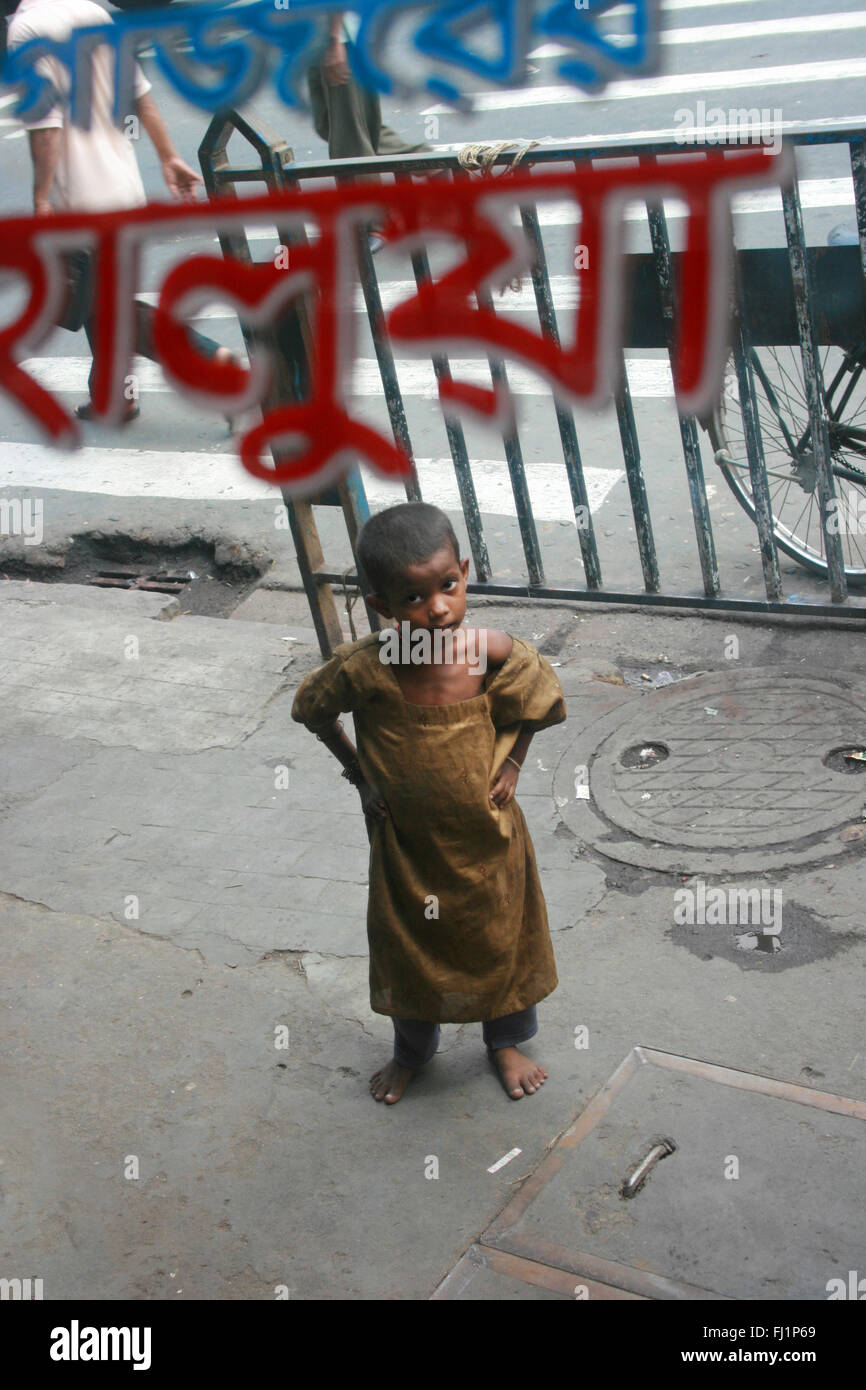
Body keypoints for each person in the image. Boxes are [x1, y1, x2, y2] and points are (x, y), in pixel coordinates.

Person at [291, 502, 567, 1105]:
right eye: (413, 598)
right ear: (382, 605)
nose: (438, 608)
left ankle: (507, 1042)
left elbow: (540, 690)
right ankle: (411, 1052)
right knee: (408, 950)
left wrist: (513, 760)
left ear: (464, 571)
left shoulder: (485, 650)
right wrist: (360, 776)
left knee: (502, 938)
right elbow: (312, 709)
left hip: (489, 842)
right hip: (407, 851)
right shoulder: (365, 670)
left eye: (447, 585)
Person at [6, 0, 236, 424]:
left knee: (106, 306)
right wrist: (168, 157)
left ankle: (209, 362)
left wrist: (41, 199)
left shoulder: (26, 30)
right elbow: (140, 95)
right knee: (100, 299)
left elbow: (46, 128)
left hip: (82, 203)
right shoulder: (93, 13)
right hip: (123, 188)